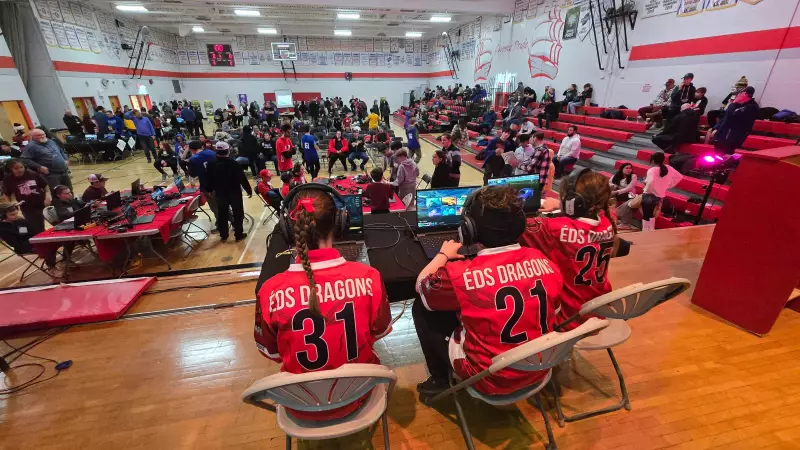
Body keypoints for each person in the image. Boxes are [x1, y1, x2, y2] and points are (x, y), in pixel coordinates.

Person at [253, 185, 391, 421]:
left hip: (300, 404)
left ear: (288, 229)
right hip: (359, 394)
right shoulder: (369, 277)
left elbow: (271, 352)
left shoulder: (269, 291)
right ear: (340, 224)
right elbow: (379, 330)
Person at [414, 185, 563, 394]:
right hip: (539, 368)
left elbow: (422, 286)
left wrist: (443, 255)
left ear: (468, 230)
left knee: (422, 306)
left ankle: (440, 380)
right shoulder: (545, 262)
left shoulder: (460, 275)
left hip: (489, 378)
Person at [520, 170, 616, 330]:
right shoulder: (608, 222)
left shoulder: (553, 228)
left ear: (572, 203)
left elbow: (512, 223)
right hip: (597, 311)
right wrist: (559, 205)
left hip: (567, 318)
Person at [211, 141, 252, 242]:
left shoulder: (211, 163)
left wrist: (209, 190)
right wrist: (248, 189)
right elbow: (242, 178)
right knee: (238, 213)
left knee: (222, 214)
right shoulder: (234, 163)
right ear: (228, 150)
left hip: (220, 193)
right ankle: (238, 234)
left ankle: (223, 234)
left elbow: (209, 178)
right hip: (234, 192)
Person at [2, 159, 50, 235]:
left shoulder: (32, 174)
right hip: (28, 207)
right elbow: (6, 194)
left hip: (42, 202)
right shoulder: (8, 179)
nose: (20, 170)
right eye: (16, 168)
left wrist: (48, 196)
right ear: (11, 169)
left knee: (55, 222)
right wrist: (10, 206)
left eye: (21, 167)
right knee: (37, 229)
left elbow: (45, 185)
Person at [711, 86, 759, 155]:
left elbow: (732, 115)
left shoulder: (752, 107)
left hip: (732, 137)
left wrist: (734, 103)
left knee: (724, 157)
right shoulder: (737, 104)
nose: (736, 96)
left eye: (738, 94)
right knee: (715, 155)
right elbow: (725, 117)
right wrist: (717, 127)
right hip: (722, 134)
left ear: (745, 94)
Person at [642, 152, 683, 231]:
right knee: (652, 214)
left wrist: (646, 186)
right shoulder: (669, 168)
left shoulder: (652, 170)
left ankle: (645, 231)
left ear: (653, 160)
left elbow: (650, 182)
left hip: (649, 194)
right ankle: (651, 230)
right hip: (660, 195)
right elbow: (679, 177)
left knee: (646, 214)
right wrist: (668, 185)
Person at [188, 140, 221, 232]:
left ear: (191, 149)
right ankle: (233, 223)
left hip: (207, 186)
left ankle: (221, 225)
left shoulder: (193, 159)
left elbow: (193, 174)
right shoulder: (211, 152)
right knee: (223, 203)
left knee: (215, 207)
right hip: (220, 182)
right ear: (201, 146)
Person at [610, 162, 639, 230]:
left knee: (614, 196)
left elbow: (628, 188)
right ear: (622, 169)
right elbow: (610, 182)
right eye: (626, 168)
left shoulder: (633, 176)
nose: (629, 170)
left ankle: (625, 224)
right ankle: (612, 218)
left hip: (630, 194)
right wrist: (614, 186)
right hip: (618, 193)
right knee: (609, 197)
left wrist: (617, 192)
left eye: (630, 168)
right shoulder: (617, 175)